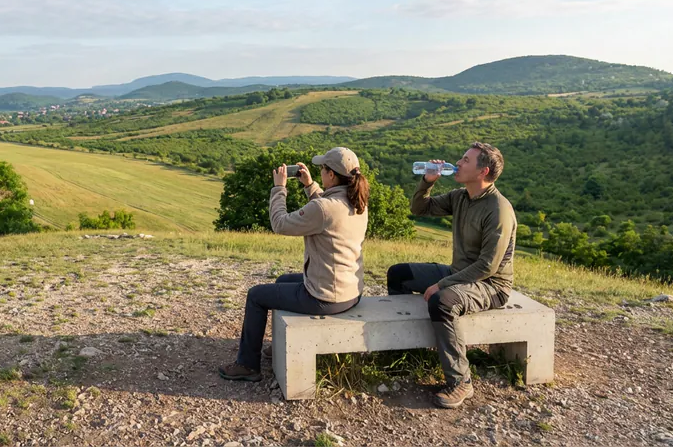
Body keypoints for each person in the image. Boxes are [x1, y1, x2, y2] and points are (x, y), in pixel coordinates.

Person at [218, 147, 370, 382]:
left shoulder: (323, 209)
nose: (320, 172)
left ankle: (248, 365)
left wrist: (279, 188)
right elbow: (329, 209)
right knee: (282, 281)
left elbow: (280, 224)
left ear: (331, 175)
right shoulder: (357, 201)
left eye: (322, 169)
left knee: (256, 295)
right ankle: (278, 345)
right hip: (350, 291)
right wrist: (310, 186)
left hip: (325, 297)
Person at [387, 142, 516, 408]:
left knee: (442, 301)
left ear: (483, 171)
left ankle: (461, 382)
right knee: (398, 274)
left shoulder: (498, 209)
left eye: (465, 160)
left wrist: (442, 284)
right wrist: (427, 181)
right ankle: (406, 351)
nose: (457, 163)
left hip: (490, 284)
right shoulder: (460, 196)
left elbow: (488, 267)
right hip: (459, 273)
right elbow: (419, 208)